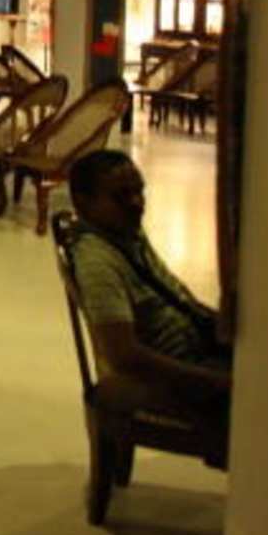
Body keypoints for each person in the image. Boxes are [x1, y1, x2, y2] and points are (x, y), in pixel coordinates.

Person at [68, 149, 231, 418]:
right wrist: (214, 381)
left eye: (139, 191)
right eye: (121, 196)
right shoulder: (98, 262)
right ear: (83, 204)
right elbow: (124, 356)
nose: (136, 203)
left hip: (198, 349)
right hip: (180, 374)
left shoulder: (126, 233)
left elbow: (172, 292)